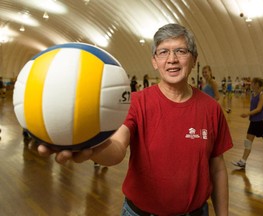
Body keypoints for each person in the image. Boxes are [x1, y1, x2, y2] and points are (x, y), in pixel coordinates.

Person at [37, 23, 233, 216]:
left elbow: (217, 169)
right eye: (163, 52)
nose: (172, 59)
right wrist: (91, 147)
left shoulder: (211, 109)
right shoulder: (137, 102)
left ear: (194, 59)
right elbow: (117, 148)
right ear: (154, 61)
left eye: (181, 51)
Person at [232, 77, 263, 169]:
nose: (250, 84)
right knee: (248, 142)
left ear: (256, 84)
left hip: (262, 121)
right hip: (253, 122)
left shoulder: (262, 95)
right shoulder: (253, 93)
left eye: (252, 83)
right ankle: (243, 162)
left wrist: (247, 114)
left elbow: (259, 109)